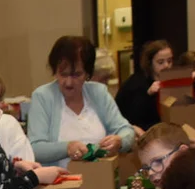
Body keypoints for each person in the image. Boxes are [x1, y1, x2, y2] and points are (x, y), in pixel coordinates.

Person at [27, 36, 136, 167]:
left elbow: (126, 130)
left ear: (88, 74)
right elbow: (35, 148)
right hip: (61, 182)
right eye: (63, 74)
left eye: (76, 75)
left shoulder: (98, 92)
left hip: (101, 177)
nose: (68, 82)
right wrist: (67, 148)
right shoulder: (42, 97)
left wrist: (119, 141)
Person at [115, 40, 174, 132]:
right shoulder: (136, 83)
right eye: (160, 62)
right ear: (150, 63)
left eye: (169, 61)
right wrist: (148, 94)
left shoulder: (171, 79)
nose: (166, 65)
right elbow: (132, 118)